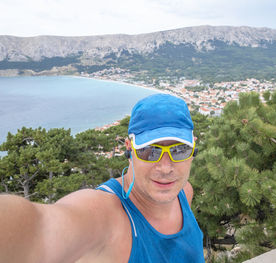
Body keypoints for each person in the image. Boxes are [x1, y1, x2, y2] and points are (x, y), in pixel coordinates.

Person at [0, 93, 205, 263]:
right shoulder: (106, 215)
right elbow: (41, 229)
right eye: (150, 151)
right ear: (129, 148)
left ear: (194, 147)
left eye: (179, 150)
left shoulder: (184, 193)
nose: (166, 167)